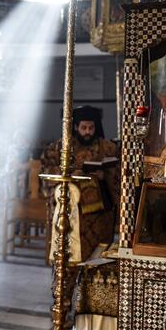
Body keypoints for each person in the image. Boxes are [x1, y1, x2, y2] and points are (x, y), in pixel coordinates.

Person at [40, 105, 119, 263]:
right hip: (70, 212)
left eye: (91, 127)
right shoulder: (61, 147)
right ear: (76, 127)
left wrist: (105, 176)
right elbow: (46, 171)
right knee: (68, 258)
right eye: (84, 127)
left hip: (99, 214)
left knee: (95, 260)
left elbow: (118, 175)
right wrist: (71, 174)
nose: (88, 131)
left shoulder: (108, 147)